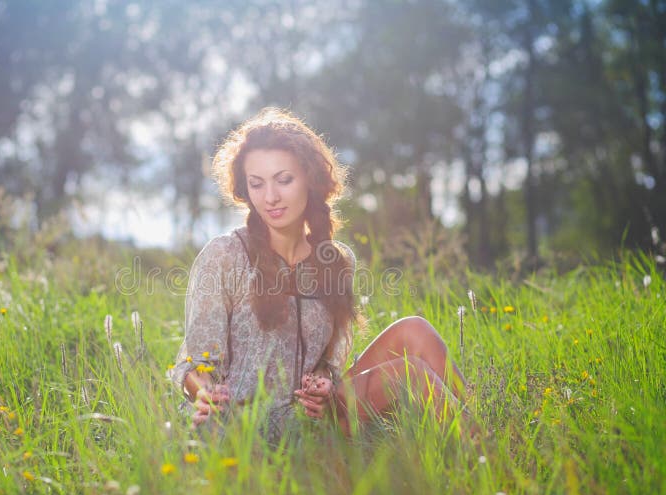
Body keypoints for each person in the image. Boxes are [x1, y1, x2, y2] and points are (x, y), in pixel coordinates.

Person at [167, 108, 469, 441]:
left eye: (284, 180)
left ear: (309, 180)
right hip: (246, 426)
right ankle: (489, 465)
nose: (270, 197)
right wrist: (205, 392)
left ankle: (483, 439)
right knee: (410, 374)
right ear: (246, 189)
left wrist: (323, 386)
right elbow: (194, 365)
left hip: (313, 416)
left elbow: (329, 363)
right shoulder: (224, 255)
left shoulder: (337, 261)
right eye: (257, 184)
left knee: (415, 330)